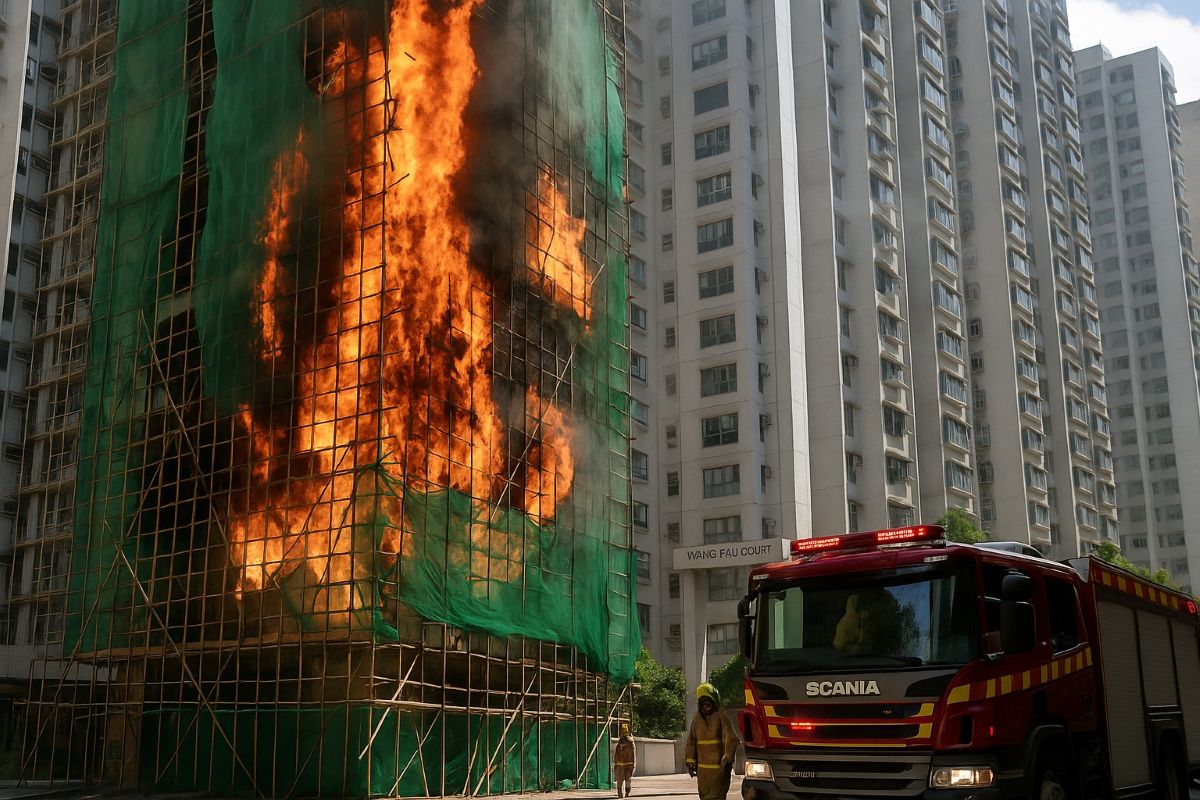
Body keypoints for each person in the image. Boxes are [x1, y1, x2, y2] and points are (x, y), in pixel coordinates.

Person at [684, 683, 740, 800]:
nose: (706, 707)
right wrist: (690, 761)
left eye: (708, 703)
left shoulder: (721, 717)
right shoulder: (697, 719)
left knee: (717, 796)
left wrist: (727, 758)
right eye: (703, 704)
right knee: (704, 796)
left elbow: (732, 738)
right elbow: (691, 741)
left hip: (719, 771)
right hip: (703, 773)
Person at [614, 723, 636, 798]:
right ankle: (627, 792)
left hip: (621, 763)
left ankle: (620, 794)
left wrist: (616, 762)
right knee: (628, 779)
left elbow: (617, 753)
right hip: (629, 763)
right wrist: (634, 763)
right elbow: (633, 752)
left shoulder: (621, 742)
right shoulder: (631, 741)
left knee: (620, 780)